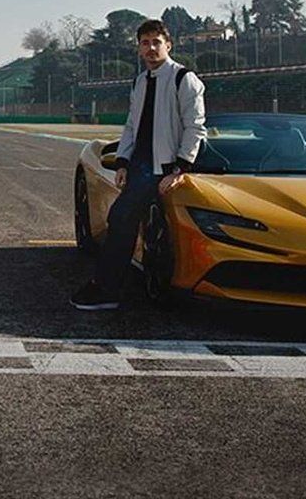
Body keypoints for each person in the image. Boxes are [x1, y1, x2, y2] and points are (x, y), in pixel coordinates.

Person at [71, 18, 206, 311]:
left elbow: (196, 127)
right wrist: (122, 162)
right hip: (139, 167)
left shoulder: (185, 79)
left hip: (164, 168)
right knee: (124, 221)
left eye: (156, 42)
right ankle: (110, 286)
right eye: (145, 43)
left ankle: (106, 289)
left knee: (120, 218)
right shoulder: (139, 81)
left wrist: (180, 168)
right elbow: (132, 126)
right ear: (139, 49)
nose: (151, 48)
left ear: (168, 45)